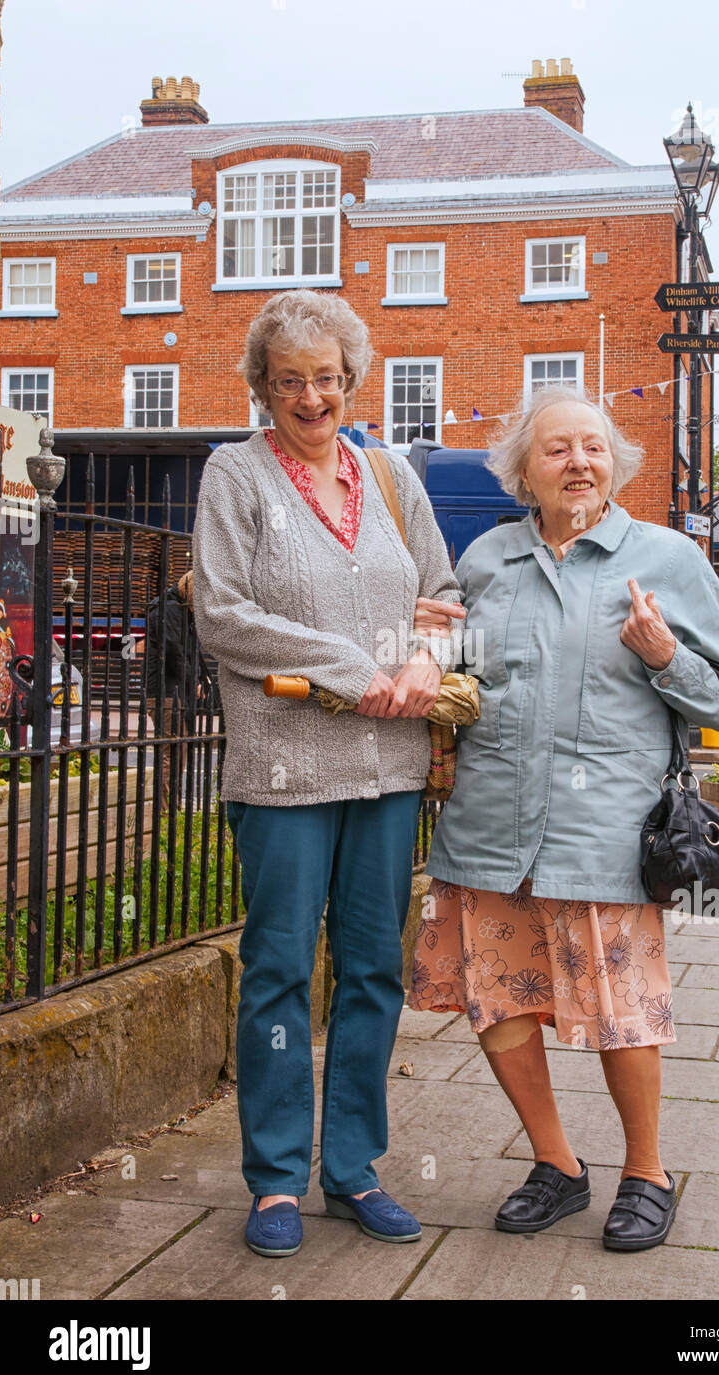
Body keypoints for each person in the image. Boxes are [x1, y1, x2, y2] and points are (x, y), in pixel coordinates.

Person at [409, 386, 719, 1251]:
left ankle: (646, 1173)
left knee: (620, 1011)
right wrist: (429, 645)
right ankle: (556, 1165)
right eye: (555, 449)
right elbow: (465, 681)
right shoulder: (484, 560)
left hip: (605, 836)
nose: (577, 463)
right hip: (489, 828)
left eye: (591, 447)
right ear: (523, 468)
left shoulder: (665, 557)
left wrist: (666, 656)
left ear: (614, 462)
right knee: (500, 1005)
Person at [192, 289, 464, 1257]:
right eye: (289, 380)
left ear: (352, 379)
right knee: (274, 972)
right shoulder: (236, 475)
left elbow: (441, 595)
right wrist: (359, 671)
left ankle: (349, 1164)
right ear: (262, 386)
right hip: (280, 767)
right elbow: (219, 613)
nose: (311, 397)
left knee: (371, 970)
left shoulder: (390, 474)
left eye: (327, 378)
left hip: (387, 767)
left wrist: (426, 664)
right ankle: (273, 1179)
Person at [144, 570, 206, 810]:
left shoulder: (180, 611)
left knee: (178, 748)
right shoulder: (169, 610)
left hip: (176, 690)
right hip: (164, 691)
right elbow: (174, 653)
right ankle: (164, 809)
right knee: (172, 749)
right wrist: (194, 681)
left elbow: (190, 651)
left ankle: (171, 806)